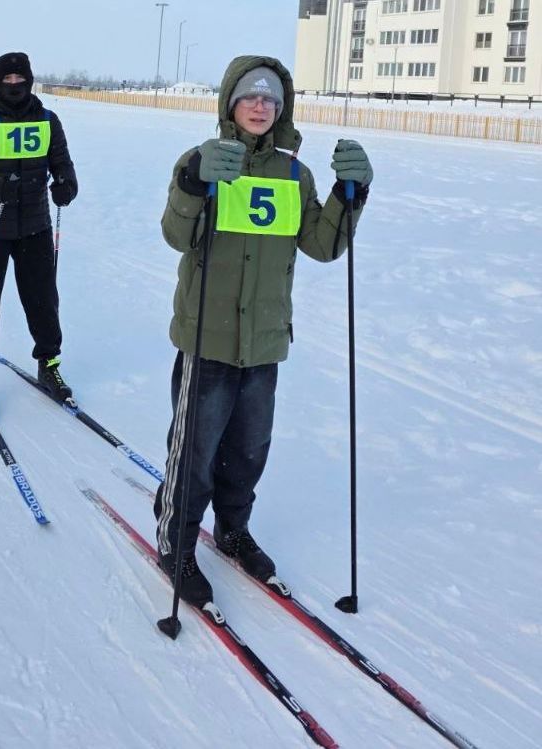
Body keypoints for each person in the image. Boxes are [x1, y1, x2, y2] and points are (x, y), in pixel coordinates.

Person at [153, 56, 373, 607]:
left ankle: (231, 529)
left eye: (270, 98)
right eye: (249, 96)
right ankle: (175, 540)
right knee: (195, 453)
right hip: (207, 338)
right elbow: (176, 236)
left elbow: (323, 246)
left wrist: (351, 194)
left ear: (281, 109)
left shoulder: (294, 175)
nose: (259, 106)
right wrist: (193, 180)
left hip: (265, 341)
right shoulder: (202, 161)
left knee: (249, 450)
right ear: (230, 102)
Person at [0, 51, 77, 416]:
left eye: (19, 80)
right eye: (7, 81)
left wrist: (66, 185)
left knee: (43, 300)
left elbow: (62, 164)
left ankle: (49, 364)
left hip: (36, 225)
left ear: (29, 81)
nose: (14, 86)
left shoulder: (48, 120)